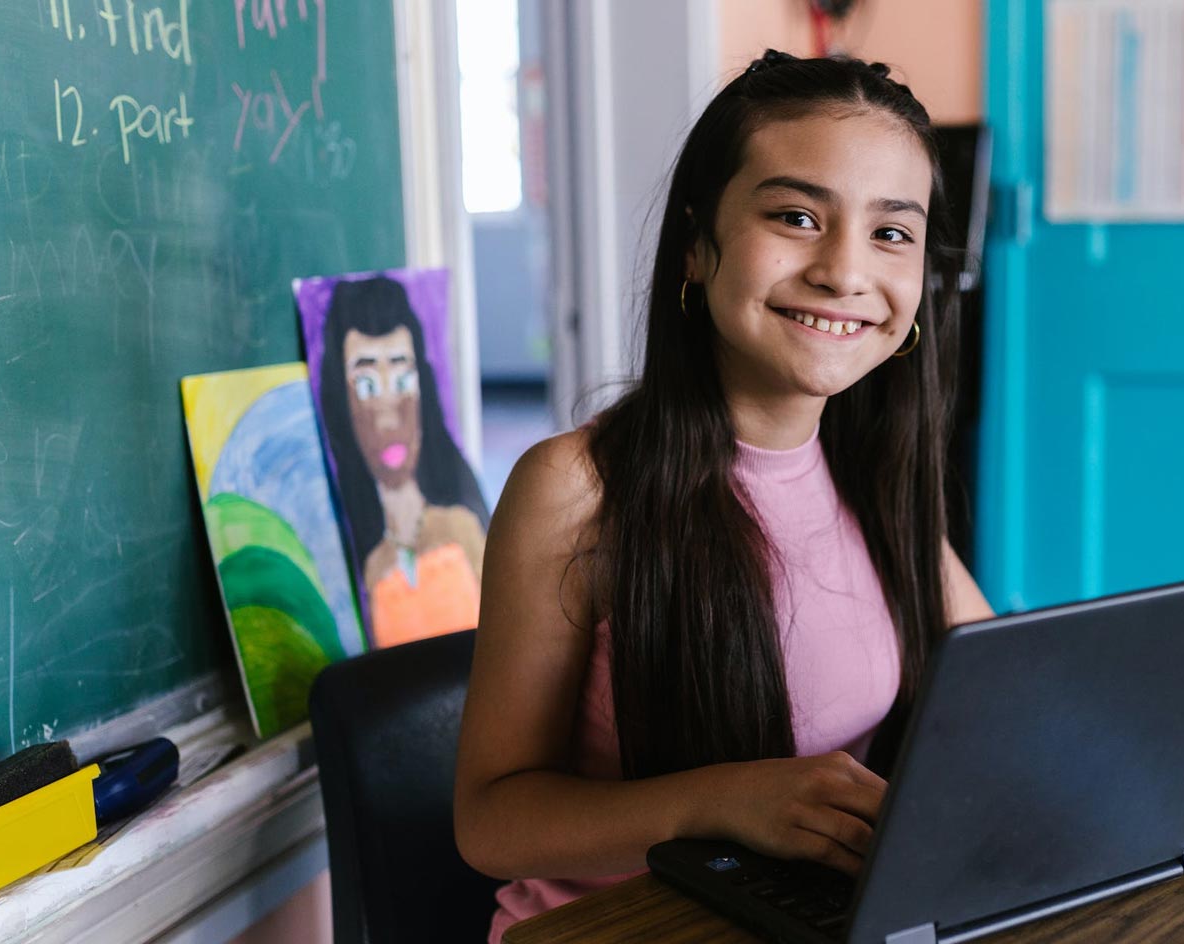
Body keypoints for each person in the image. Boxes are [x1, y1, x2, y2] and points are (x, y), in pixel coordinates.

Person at [453, 51, 994, 941]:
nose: (844, 271)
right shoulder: (577, 489)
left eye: (891, 233)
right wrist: (723, 799)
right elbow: (491, 823)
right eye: (795, 216)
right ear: (699, 247)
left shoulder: (875, 474)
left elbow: (1005, 685)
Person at [318, 275, 490, 648]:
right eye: (365, 386)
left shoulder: (463, 530)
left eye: (401, 380)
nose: (388, 416)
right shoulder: (362, 565)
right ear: (340, 402)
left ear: (423, 386)